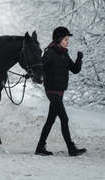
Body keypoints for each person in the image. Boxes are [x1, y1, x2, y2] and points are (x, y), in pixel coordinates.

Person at [35, 26, 87, 157]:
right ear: (58, 39)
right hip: (52, 90)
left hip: (60, 91)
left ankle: (40, 147)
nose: (67, 41)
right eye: (65, 39)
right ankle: (71, 148)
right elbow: (40, 67)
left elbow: (74, 69)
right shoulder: (50, 53)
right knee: (64, 118)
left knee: (50, 120)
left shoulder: (64, 53)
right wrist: (38, 76)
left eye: (67, 39)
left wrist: (79, 59)